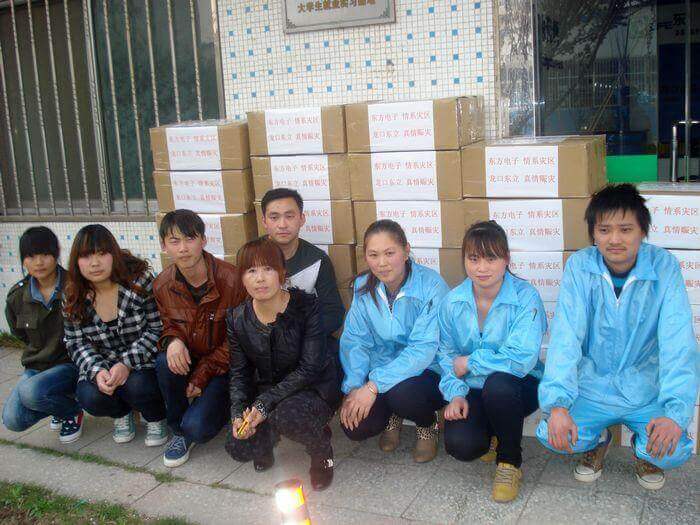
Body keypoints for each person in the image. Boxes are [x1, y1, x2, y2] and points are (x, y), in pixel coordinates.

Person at [536, 184, 699, 490]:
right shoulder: (580, 267)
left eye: (625, 229)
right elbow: (566, 337)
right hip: (592, 386)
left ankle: (643, 447)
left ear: (642, 231)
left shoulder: (664, 267)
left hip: (644, 388)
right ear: (593, 234)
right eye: (604, 230)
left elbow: (678, 343)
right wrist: (557, 404)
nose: (614, 239)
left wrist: (675, 414)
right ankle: (598, 438)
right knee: (551, 435)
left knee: (674, 450)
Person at [438, 221, 546, 502]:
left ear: (506, 259)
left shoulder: (525, 297)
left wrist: (472, 362)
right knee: (462, 446)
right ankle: (495, 431)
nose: (482, 268)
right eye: (474, 259)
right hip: (472, 387)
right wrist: (455, 394)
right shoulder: (452, 302)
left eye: (491, 258)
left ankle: (509, 461)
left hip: (519, 385)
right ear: (464, 260)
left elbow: (521, 359)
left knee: (499, 386)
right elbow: (446, 355)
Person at [225, 238, 341, 491]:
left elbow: (310, 368)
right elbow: (239, 372)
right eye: (251, 270)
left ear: (282, 273)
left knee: (288, 415)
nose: (260, 278)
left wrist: (264, 404)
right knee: (237, 446)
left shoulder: (307, 306)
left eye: (268, 269)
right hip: (268, 391)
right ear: (241, 277)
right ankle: (267, 437)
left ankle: (322, 452)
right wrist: (238, 413)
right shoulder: (236, 318)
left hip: (313, 388)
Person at [339, 220, 450, 463]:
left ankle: (427, 424)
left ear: (406, 251)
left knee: (402, 394)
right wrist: (355, 387)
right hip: (381, 369)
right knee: (354, 426)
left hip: (428, 370)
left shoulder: (431, 286)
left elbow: (423, 349)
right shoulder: (362, 287)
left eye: (390, 253)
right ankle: (393, 415)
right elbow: (355, 340)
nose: (382, 262)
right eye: (374, 255)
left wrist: (373, 386)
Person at [154, 210, 244, 468]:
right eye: (174, 241)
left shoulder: (232, 279)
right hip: (190, 359)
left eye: (190, 239)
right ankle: (177, 430)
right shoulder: (162, 285)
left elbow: (238, 339)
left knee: (198, 428)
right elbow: (167, 324)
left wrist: (202, 375)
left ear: (203, 240)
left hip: (225, 367)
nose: (183, 249)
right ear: (164, 246)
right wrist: (173, 340)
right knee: (164, 361)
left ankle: (209, 415)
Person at [63, 224, 167, 447]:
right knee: (89, 396)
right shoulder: (72, 294)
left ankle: (155, 416)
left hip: (142, 361)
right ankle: (121, 413)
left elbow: (157, 329)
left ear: (114, 254)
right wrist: (97, 370)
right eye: (86, 256)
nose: (95, 263)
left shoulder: (139, 282)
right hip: (103, 363)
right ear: (76, 261)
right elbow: (75, 342)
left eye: (102, 254)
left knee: (137, 386)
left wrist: (126, 363)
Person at [2, 227, 83, 443]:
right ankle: (61, 405)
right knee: (12, 419)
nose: (39, 262)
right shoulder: (17, 296)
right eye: (31, 256)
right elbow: (20, 334)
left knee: (31, 393)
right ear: (23, 260)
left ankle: (72, 411)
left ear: (56, 254)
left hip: (70, 364)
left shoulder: (75, 286)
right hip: (37, 366)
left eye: (45, 254)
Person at [259, 188, 345, 340]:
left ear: (302, 219)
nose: (282, 224)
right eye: (274, 217)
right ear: (264, 221)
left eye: (289, 216)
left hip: (305, 338)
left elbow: (333, 312)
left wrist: (301, 334)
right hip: (262, 338)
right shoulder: (251, 257)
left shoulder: (317, 260)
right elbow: (241, 307)